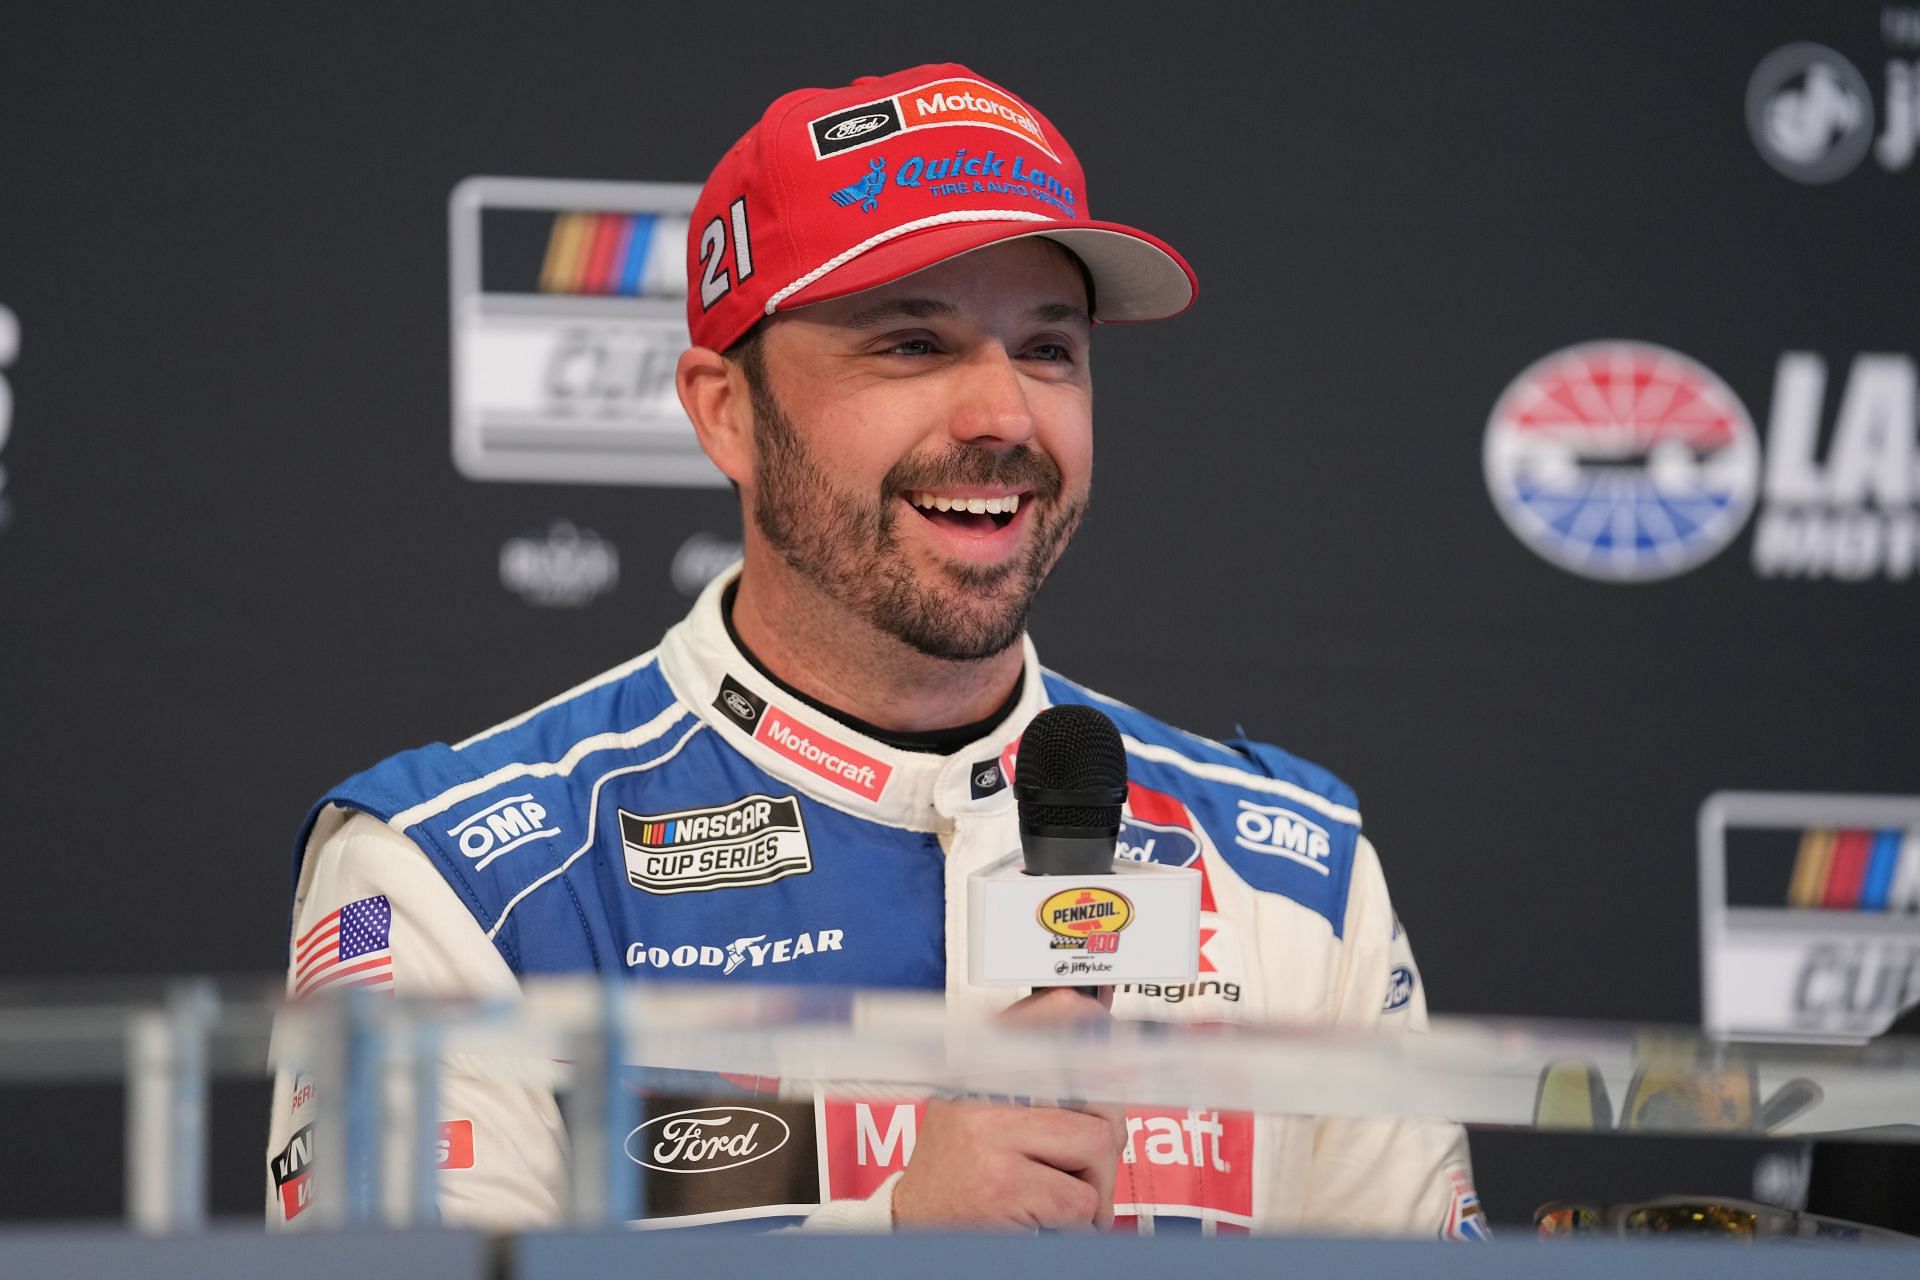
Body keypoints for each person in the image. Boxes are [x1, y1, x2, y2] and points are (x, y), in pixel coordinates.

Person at [268, 62, 1484, 1239]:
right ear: (726, 411)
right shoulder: (455, 876)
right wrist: (890, 1239)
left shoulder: (1294, 872)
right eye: (912, 344)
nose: (1005, 414)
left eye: (1049, 348)